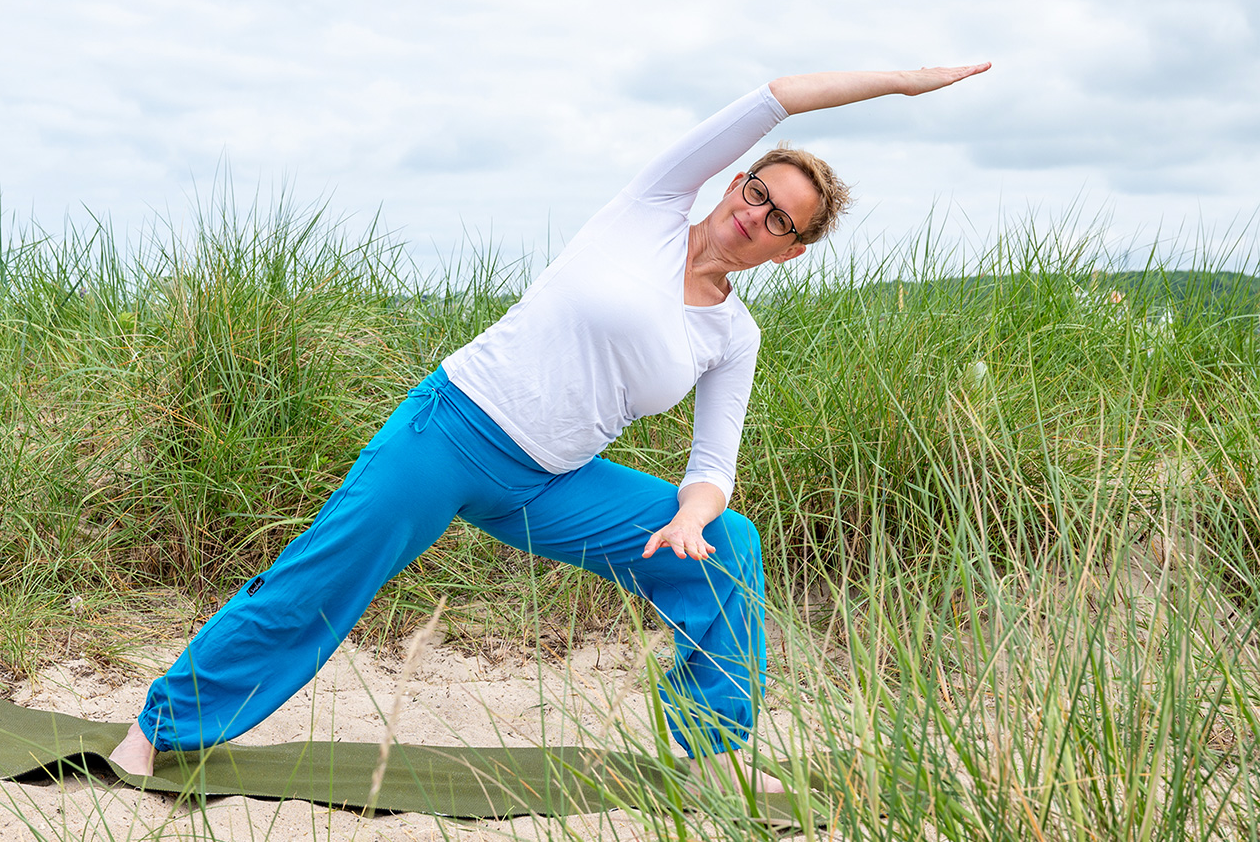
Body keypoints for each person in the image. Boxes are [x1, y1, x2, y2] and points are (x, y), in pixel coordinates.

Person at [110, 63, 991, 791]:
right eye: (756, 188)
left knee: (732, 547)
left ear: (790, 249)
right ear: (735, 180)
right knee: (320, 579)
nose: (754, 212)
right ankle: (162, 728)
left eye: (778, 217)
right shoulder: (650, 206)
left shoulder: (735, 333)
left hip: (549, 484)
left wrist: (691, 515)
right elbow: (775, 97)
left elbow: (714, 461)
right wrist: (905, 85)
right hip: (449, 432)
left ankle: (706, 751)